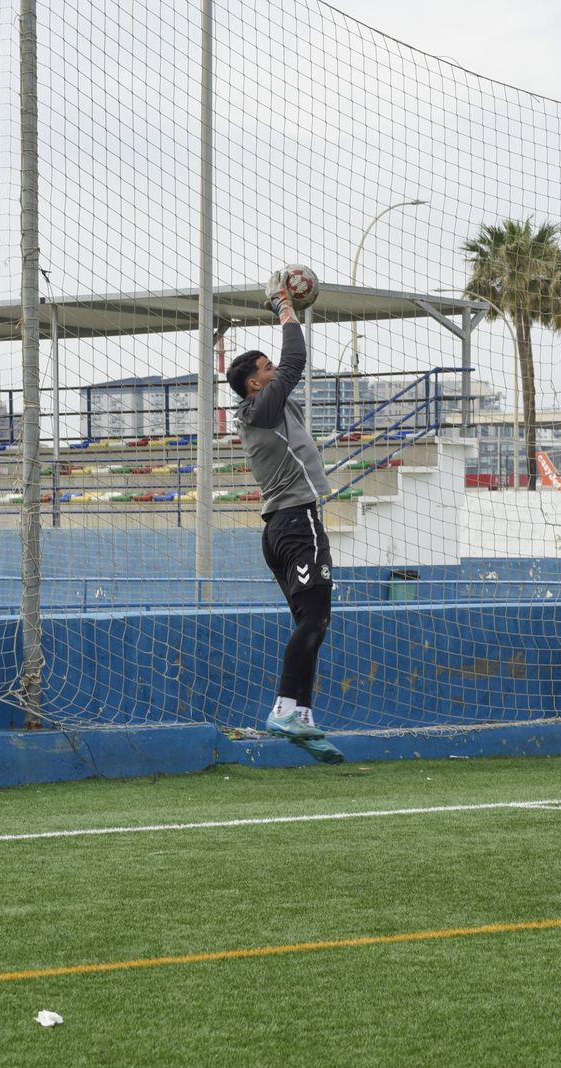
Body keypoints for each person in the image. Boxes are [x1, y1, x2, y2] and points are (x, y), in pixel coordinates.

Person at [226, 273, 344, 765]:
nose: (275, 371)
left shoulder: (268, 408)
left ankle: (302, 715)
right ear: (255, 384)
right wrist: (284, 307)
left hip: (279, 528)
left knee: (309, 623)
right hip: (298, 522)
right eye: (266, 368)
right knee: (316, 619)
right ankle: (283, 709)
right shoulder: (263, 406)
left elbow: (289, 368)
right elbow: (295, 360)